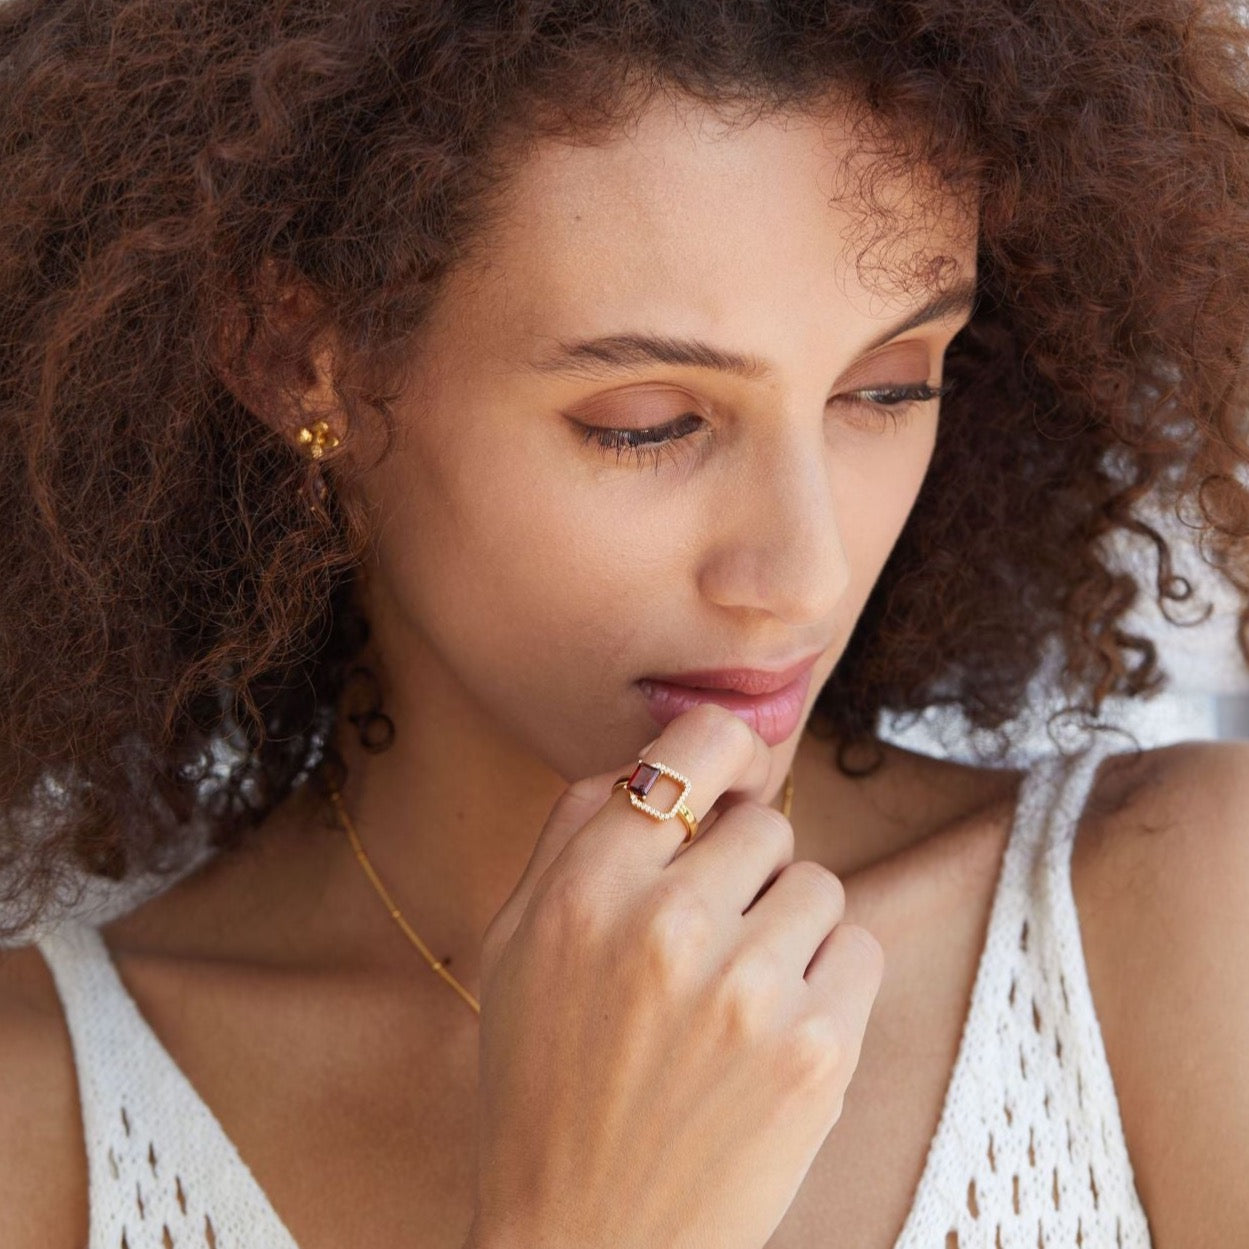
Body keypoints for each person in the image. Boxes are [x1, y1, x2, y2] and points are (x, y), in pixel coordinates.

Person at [1, 1, 1248, 1246]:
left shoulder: (1181, 916)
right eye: (647, 420)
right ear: (295, 358)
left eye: (885, 388)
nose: (802, 575)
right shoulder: (39, 1115)